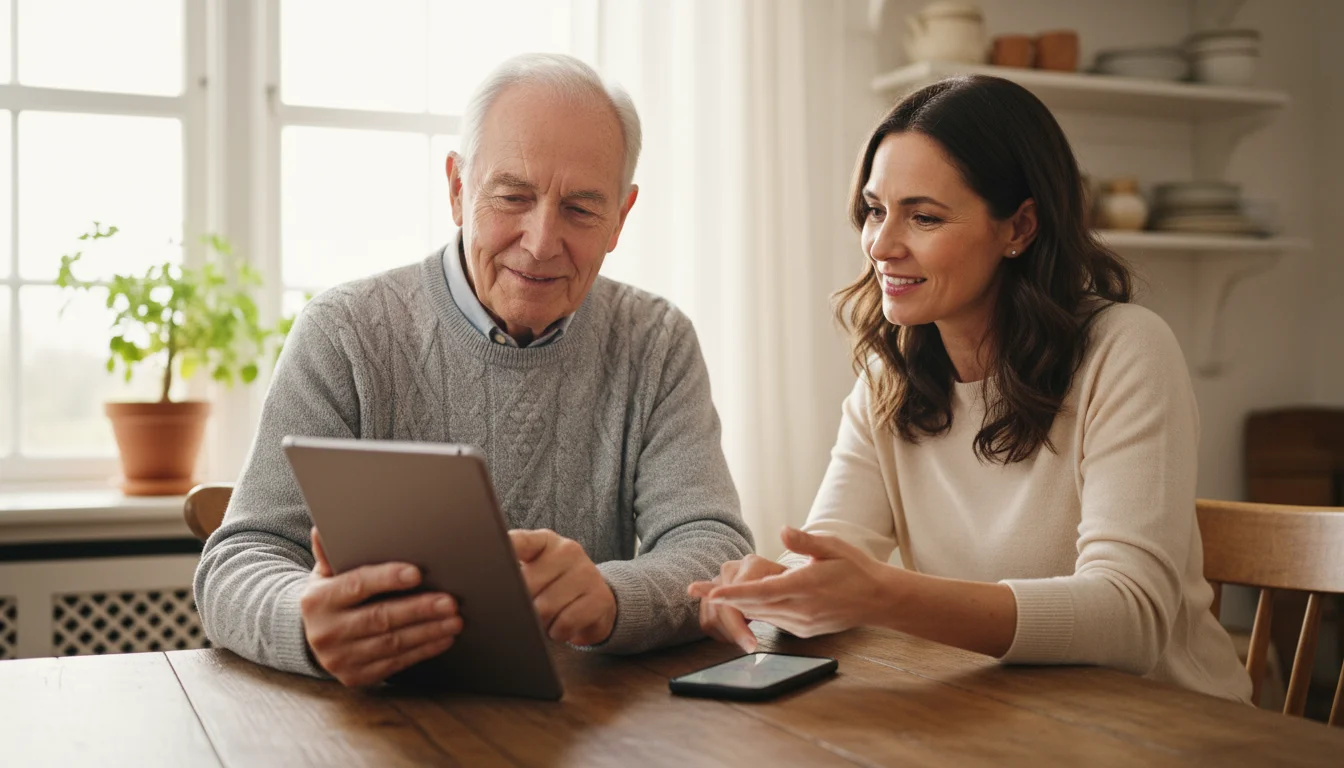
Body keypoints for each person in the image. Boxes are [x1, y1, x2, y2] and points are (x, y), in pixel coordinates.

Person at [195, 53, 754, 687]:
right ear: (459, 190)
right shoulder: (345, 332)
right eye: (513, 196)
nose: (541, 241)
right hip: (375, 724)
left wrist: (611, 595)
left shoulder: (656, 342)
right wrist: (304, 622)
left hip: (583, 727)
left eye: (580, 210)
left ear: (620, 219)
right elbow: (236, 564)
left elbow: (716, 547)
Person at [691, 75, 1253, 703]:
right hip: (1008, 717)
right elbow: (833, 558)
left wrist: (883, 595)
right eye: (875, 210)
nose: (881, 245)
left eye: (924, 217)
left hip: (1168, 730)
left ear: (1020, 227)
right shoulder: (890, 377)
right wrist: (773, 589)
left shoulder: (1126, 350)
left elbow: (1129, 619)